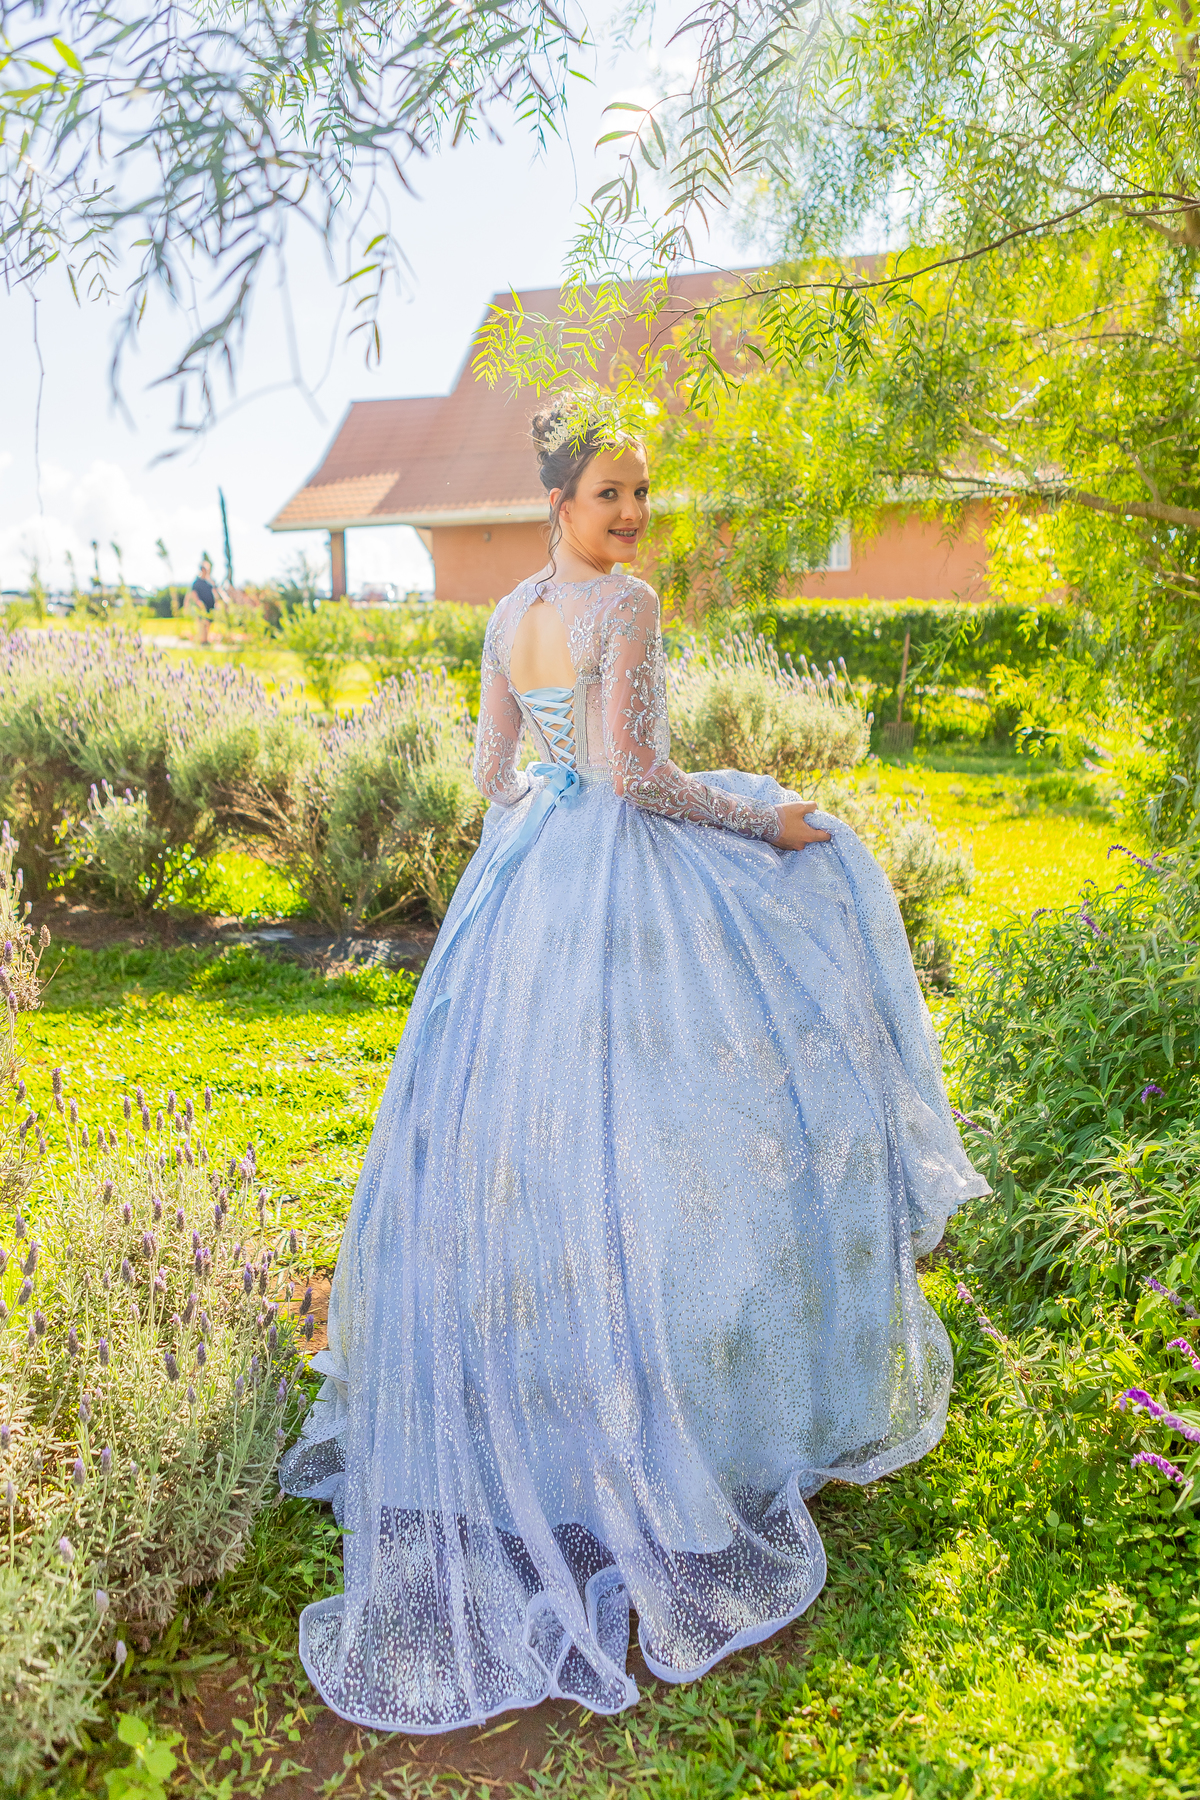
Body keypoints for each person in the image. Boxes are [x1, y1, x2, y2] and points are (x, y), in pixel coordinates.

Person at [280, 398, 988, 1735]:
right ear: (561, 497)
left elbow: (494, 774)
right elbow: (639, 776)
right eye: (611, 491)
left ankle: (549, 1409)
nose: (632, 514)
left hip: (524, 884)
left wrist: (540, 827)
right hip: (608, 872)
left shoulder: (507, 617)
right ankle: (658, 1423)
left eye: (641, 492)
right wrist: (763, 821)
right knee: (657, 1110)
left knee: (536, 1134)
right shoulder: (629, 606)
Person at [190, 556, 218, 644]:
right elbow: (194, 593)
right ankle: (203, 640)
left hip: (210, 605)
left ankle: (206, 639)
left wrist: (216, 602)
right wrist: (198, 602)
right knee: (203, 622)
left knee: (209, 623)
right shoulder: (197, 582)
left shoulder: (210, 581)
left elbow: (214, 592)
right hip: (202, 606)